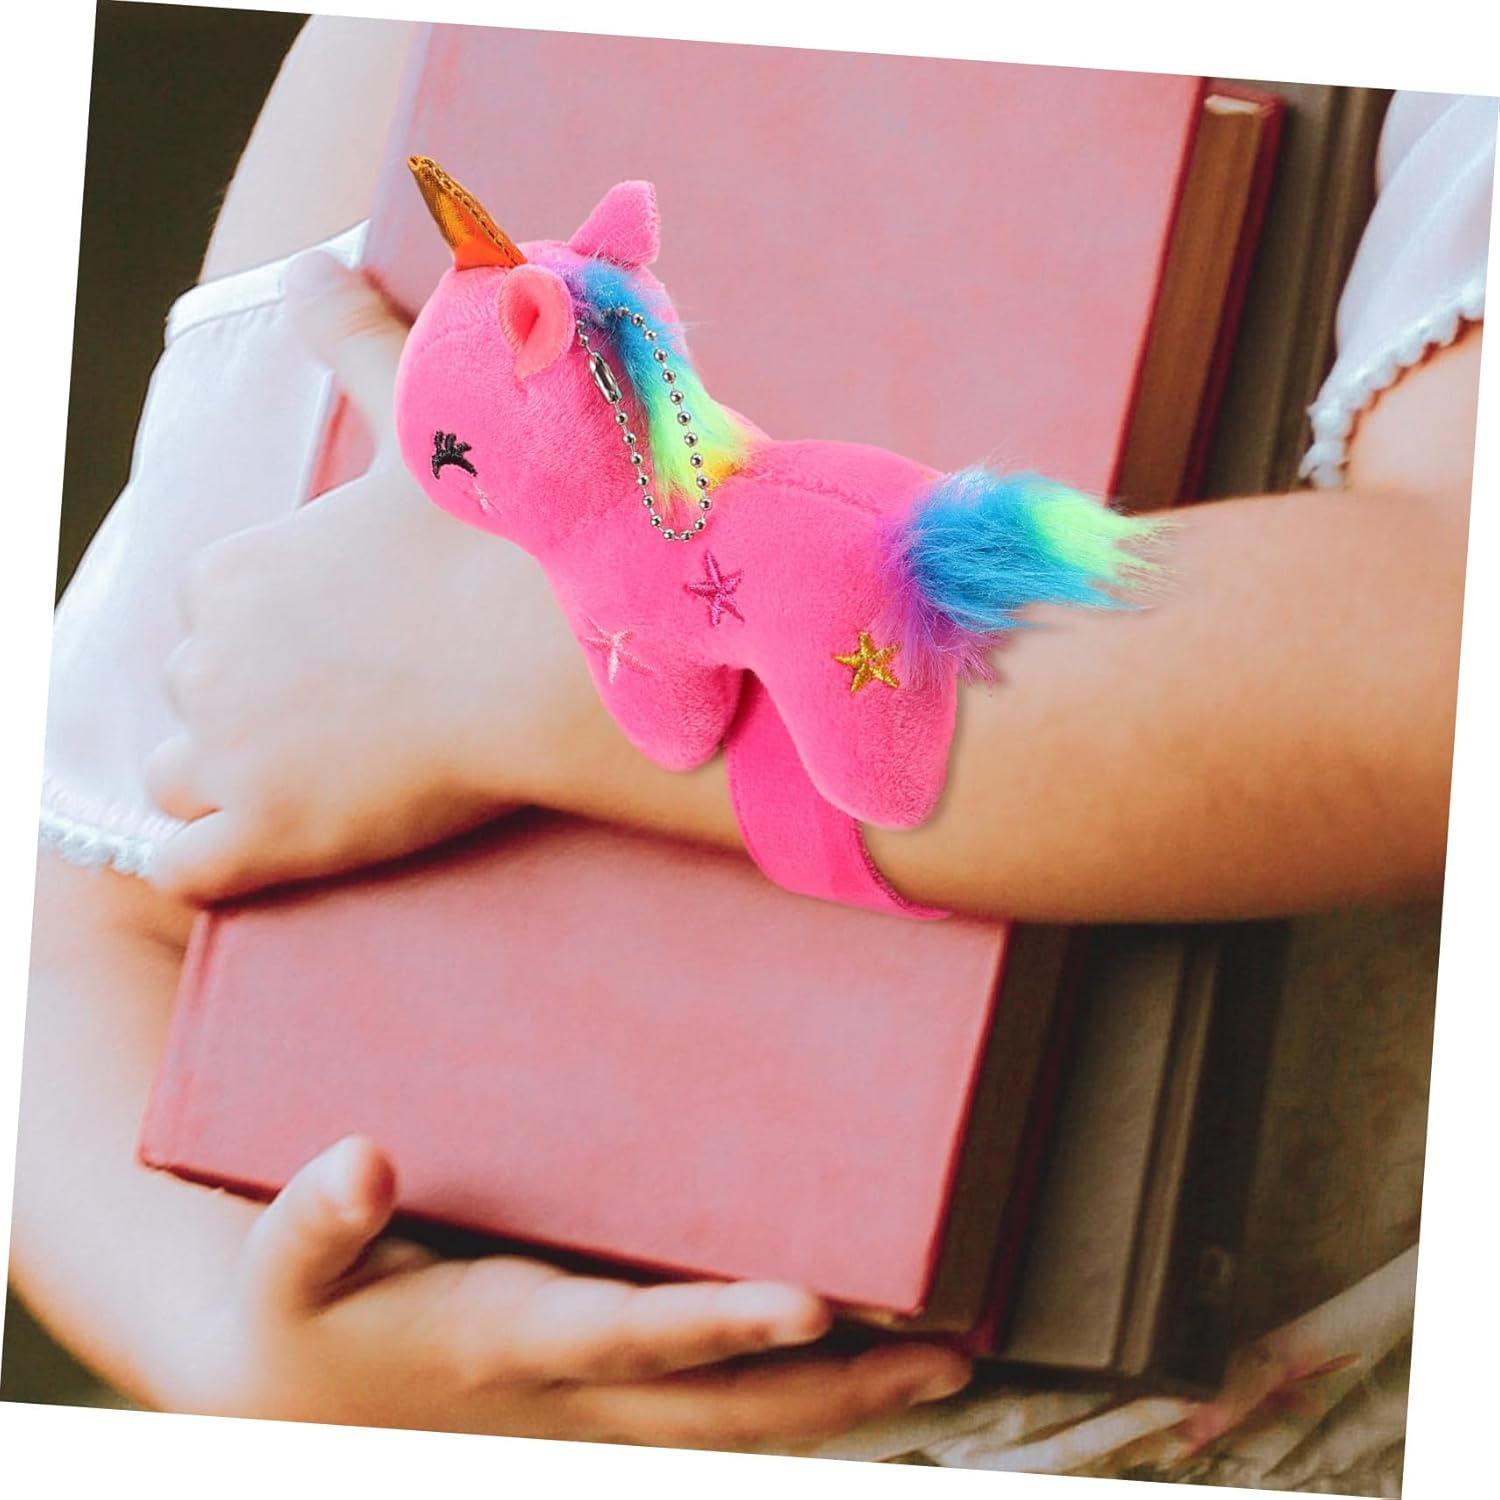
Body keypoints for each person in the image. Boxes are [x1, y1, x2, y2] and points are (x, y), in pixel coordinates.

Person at [13, 14, 1493, 1477]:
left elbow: (1434, 647)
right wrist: (218, 1334)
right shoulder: (399, 54)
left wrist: (538, 661)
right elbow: (84, 907)